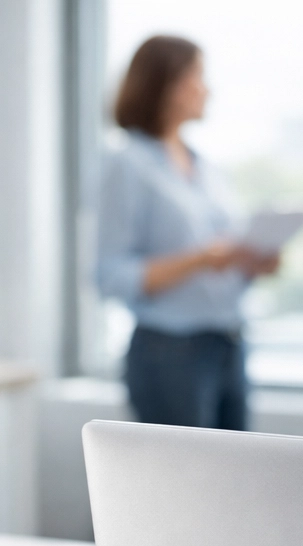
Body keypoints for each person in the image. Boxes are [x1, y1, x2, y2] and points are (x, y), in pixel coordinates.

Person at [97, 35, 279, 430]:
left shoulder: (207, 169)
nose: (207, 89)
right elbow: (110, 276)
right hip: (169, 353)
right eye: (196, 76)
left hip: (228, 342)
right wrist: (199, 260)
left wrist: (250, 262)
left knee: (234, 481)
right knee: (185, 486)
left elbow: (223, 258)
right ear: (164, 85)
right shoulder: (126, 165)